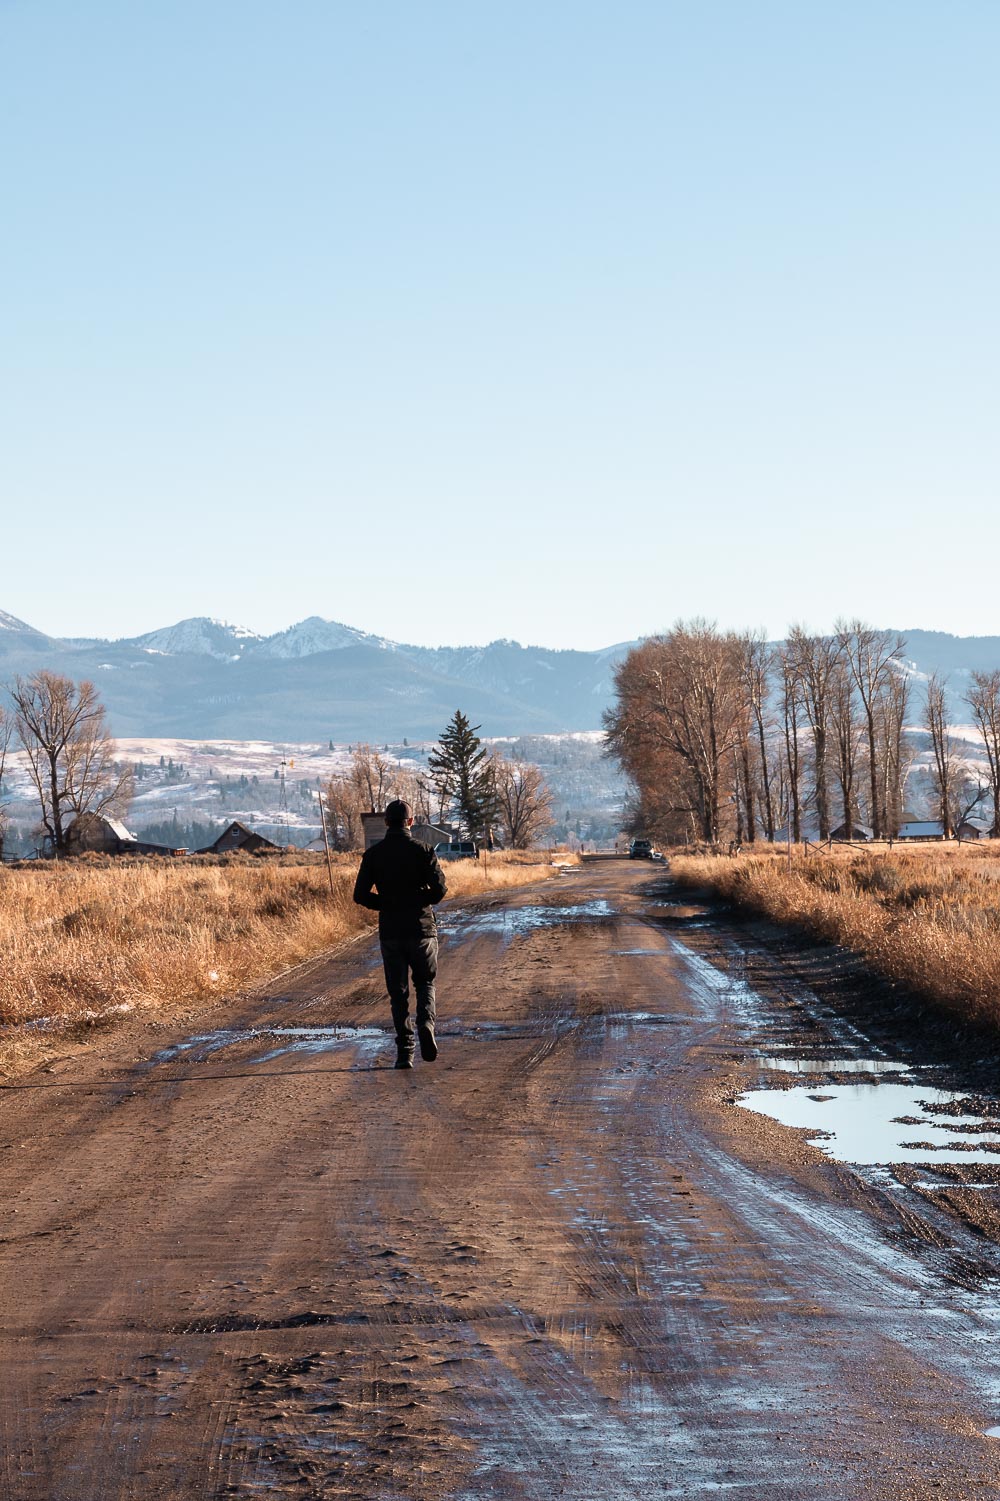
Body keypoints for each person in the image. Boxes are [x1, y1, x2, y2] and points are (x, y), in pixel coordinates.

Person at [353, 799, 448, 1069]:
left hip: (391, 932)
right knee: (425, 984)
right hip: (422, 930)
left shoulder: (374, 855)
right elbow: (440, 891)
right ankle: (425, 1025)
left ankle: (405, 1052)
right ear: (411, 821)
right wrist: (418, 900)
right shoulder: (424, 850)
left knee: (398, 993)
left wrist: (387, 903)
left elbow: (359, 895)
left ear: (385, 822)